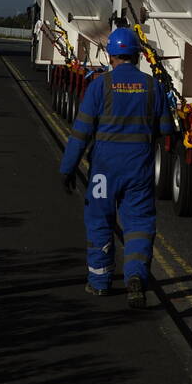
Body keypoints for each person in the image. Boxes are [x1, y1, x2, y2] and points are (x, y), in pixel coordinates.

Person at [59, 27, 173, 308]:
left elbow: (81, 132)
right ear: (136, 55)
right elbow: (167, 129)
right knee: (139, 225)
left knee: (99, 222)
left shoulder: (100, 85)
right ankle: (136, 276)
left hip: (104, 170)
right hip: (139, 170)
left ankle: (99, 282)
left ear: (110, 55)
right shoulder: (151, 86)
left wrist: (68, 168)